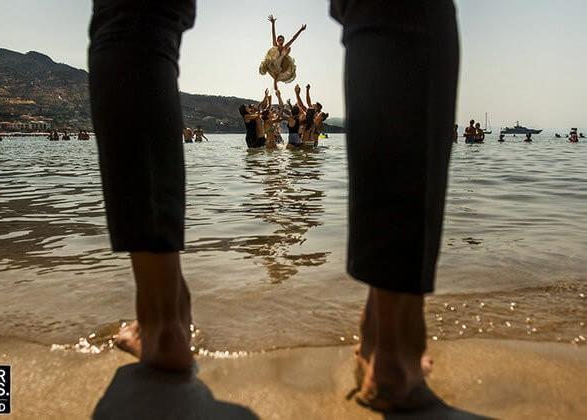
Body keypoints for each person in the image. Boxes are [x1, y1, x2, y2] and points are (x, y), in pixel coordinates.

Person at [89, 0, 459, 413]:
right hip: (292, 88)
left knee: (137, 14)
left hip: (276, 86)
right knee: (394, 7)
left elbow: (289, 53)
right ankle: (393, 346)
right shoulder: (276, 85)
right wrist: (277, 31)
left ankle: (161, 325)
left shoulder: (288, 77)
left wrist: (287, 39)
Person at [259, 15, 307, 90]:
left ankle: (276, 86)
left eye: (282, 39)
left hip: (282, 66)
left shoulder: (285, 47)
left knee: (286, 52)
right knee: (274, 53)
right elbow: (273, 35)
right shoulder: (275, 45)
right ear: (278, 41)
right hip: (274, 64)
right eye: (279, 39)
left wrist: (300, 30)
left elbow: (293, 39)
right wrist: (273, 23)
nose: (280, 40)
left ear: (283, 41)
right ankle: (276, 87)